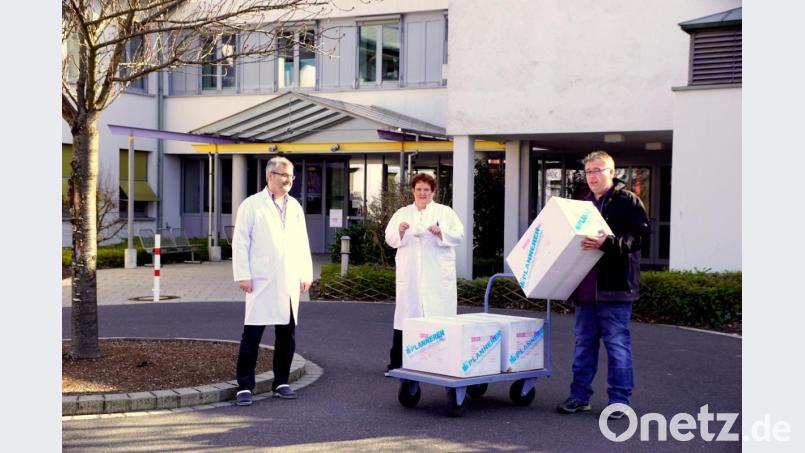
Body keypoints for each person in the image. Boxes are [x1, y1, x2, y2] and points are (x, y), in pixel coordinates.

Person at [556, 151, 650, 420]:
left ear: (611, 171)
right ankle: (579, 397)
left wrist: (608, 243)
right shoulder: (580, 202)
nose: (593, 176)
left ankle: (620, 402)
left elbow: (640, 237)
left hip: (615, 288)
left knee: (617, 346)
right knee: (583, 345)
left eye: (598, 170)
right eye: (588, 171)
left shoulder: (627, 200)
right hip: (584, 288)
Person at [231, 156, 313, 405]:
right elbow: (241, 241)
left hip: (287, 280)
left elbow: (302, 242)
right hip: (260, 279)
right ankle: (245, 386)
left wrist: (305, 273)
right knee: (252, 334)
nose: (288, 180)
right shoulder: (252, 205)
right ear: (270, 176)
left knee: (286, 335)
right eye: (283, 175)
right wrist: (243, 275)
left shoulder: (295, 207)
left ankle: (282, 382)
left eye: (291, 176)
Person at [384, 173, 464, 373]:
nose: (422, 193)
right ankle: (397, 362)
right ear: (413, 191)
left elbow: (459, 234)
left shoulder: (445, 212)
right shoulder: (403, 213)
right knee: (406, 314)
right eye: (419, 189)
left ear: (433, 192)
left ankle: (442, 361)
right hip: (410, 273)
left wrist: (441, 232)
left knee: (439, 316)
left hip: (437, 274)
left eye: (426, 190)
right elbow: (389, 237)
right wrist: (400, 231)